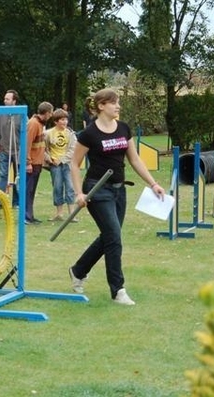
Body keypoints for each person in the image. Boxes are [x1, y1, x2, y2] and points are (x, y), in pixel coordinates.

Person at [69, 88, 166, 305]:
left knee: (109, 236)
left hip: (119, 190)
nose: (118, 106)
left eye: (118, 102)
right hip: (97, 190)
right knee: (114, 236)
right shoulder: (89, 133)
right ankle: (118, 290)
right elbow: (74, 164)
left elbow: (135, 160)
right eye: (114, 103)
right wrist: (79, 193)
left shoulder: (123, 128)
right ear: (101, 106)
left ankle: (78, 270)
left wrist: (153, 184)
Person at [0, 89, 23, 208]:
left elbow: (27, 131)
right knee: (2, 175)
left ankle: (17, 202)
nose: (4, 101)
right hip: (4, 150)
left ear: (14, 101)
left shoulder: (22, 115)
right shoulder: (1, 114)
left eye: (7, 99)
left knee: (18, 176)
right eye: (4, 99)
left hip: (18, 151)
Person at [44, 108, 78, 222]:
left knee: (70, 187)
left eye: (66, 120)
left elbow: (73, 149)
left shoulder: (70, 134)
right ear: (56, 121)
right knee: (57, 187)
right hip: (54, 165)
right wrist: (50, 159)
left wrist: (62, 160)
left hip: (67, 164)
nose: (65, 122)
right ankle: (59, 213)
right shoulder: (48, 133)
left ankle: (72, 214)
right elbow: (43, 149)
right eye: (62, 120)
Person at [24, 102, 53, 225]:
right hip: (32, 163)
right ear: (46, 113)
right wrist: (27, 163)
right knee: (28, 190)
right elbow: (27, 144)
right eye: (51, 113)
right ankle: (26, 216)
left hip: (38, 162)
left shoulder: (40, 124)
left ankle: (30, 215)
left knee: (32, 191)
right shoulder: (33, 124)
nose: (51, 115)